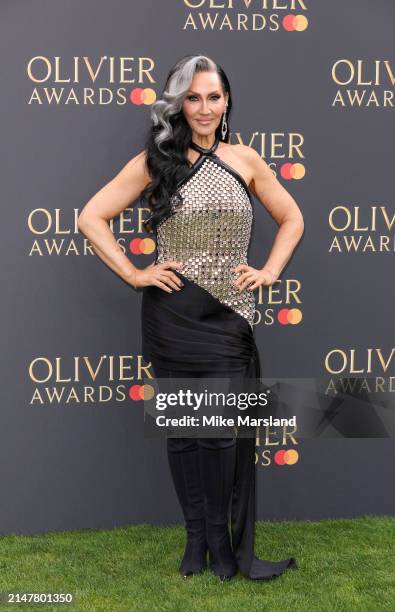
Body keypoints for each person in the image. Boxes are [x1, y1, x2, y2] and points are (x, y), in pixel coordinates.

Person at [77, 54, 304, 582]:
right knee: (183, 433)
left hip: (228, 316)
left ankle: (223, 547)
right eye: (193, 97)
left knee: (220, 433)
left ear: (227, 102)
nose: (203, 108)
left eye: (213, 96)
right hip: (173, 312)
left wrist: (269, 270)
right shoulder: (156, 159)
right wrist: (135, 274)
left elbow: (292, 217)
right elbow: (91, 216)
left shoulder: (245, 159)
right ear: (178, 103)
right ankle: (194, 539)